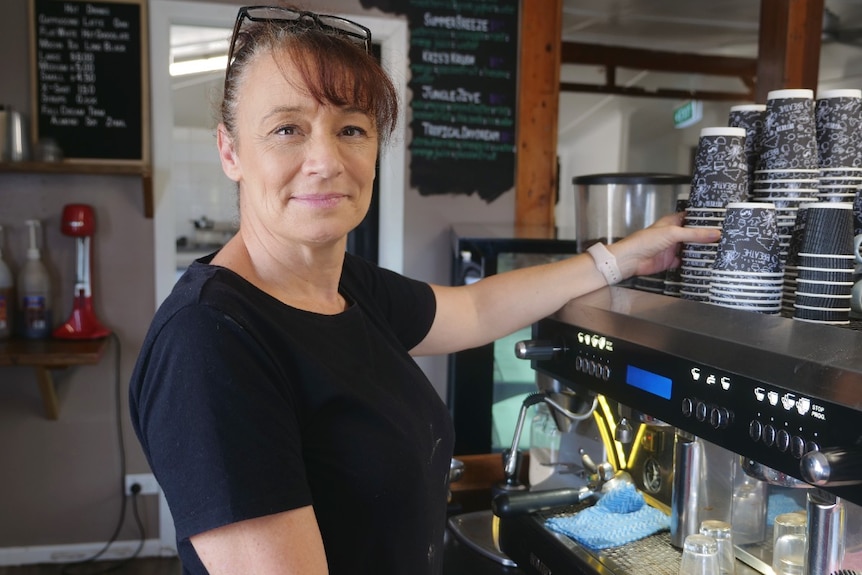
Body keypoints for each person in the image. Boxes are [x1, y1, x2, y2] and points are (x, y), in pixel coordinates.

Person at [128, 5, 720, 574]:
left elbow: (476, 307)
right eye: (287, 129)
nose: (325, 160)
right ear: (230, 151)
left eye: (351, 129)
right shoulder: (209, 344)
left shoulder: (345, 288)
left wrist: (617, 259)